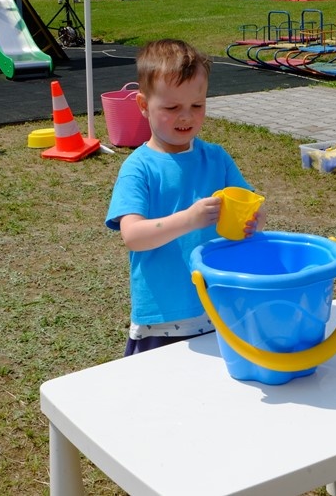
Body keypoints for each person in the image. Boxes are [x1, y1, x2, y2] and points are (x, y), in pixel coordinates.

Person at [105, 39, 266, 356]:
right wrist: (189, 219)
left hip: (220, 306)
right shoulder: (139, 168)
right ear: (143, 105)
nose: (186, 117)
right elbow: (133, 236)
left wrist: (254, 221)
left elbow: (251, 206)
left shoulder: (216, 158)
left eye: (197, 106)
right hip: (164, 317)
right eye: (172, 108)